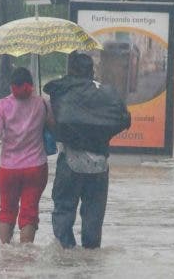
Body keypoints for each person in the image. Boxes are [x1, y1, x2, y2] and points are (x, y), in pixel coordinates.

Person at [43, 52, 130, 249]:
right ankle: (90, 260)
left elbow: (56, 120)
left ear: (70, 71)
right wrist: (101, 135)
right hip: (99, 164)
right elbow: (124, 119)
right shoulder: (107, 93)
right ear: (91, 71)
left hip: (69, 163)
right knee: (94, 217)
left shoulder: (61, 91)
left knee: (64, 212)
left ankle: (67, 255)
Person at [0, 67, 53, 244]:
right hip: (36, 168)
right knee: (29, 211)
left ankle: (5, 252)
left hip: (8, 169)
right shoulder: (43, 103)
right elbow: (53, 127)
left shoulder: (3, 105)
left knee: (7, 210)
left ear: (11, 85)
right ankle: (25, 254)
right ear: (31, 84)